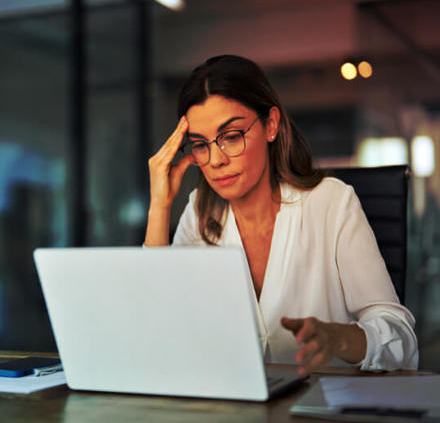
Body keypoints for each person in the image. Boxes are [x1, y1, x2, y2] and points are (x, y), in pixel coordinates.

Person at [144, 55, 418, 375]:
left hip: (319, 405)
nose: (215, 160)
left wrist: (341, 338)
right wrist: (160, 206)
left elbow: (401, 337)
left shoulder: (332, 202)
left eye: (231, 137)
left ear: (270, 125)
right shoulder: (199, 213)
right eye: (200, 145)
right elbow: (157, 329)